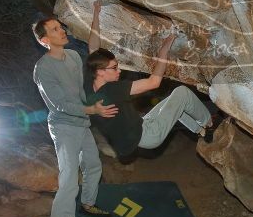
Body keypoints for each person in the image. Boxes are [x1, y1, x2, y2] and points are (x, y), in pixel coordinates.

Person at [32, 3, 118, 217]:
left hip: (81, 123)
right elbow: (59, 103)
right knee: (69, 180)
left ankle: (88, 203)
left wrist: (95, 14)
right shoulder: (42, 69)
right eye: (56, 29)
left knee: (93, 166)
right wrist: (89, 108)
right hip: (64, 127)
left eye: (61, 26)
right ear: (45, 40)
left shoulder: (73, 56)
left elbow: (90, 59)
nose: (62, 31)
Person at [86, 32, 217, 161]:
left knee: (174, 103)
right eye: (114, 68)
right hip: (148, 135)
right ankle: (210, 124)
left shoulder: (91, 84)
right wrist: (163, 51)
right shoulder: (112, 90)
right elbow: (153, 82)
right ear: (100, 72)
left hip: (142, 125)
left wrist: (96, 13)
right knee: (182, 92)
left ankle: (202, 131)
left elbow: (93, 50)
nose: (119, 70)